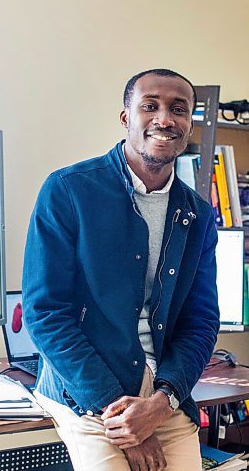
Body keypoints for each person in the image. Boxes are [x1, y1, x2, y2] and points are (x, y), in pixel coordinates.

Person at [22, 68, 220, 470]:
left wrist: (160, 405)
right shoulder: (68, 190)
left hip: (163, 394)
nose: (165, 119)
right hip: (86, 388)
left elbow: (200, 323)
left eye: (178, 110)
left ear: (188, 124)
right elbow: (45, 314)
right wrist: (119, 415)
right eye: (151, 106)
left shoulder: (197, 215)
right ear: (126, 117)